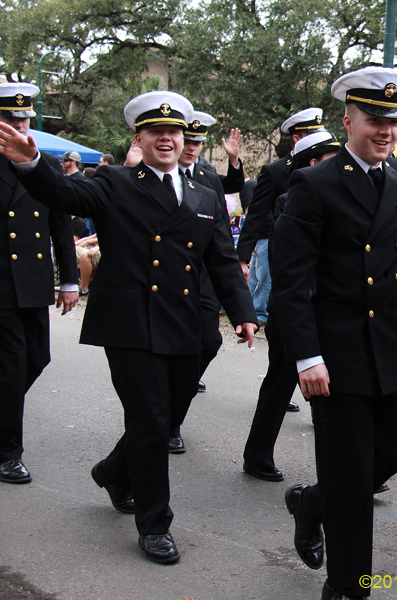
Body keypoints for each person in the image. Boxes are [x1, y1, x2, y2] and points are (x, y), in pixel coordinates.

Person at [0, 90, 257, 564]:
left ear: (184, 139)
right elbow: (65, 195)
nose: (166, 138)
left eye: (174, 131)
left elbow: (220, 257)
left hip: (182, 323)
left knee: (166, 415)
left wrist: (242, 312)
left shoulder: (202, 195)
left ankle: (115, 472)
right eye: (156, 131)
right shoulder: (115, 182)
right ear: (139, 137)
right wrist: (34, 164)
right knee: (150, 419)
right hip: (129, 324)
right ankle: (155, 524)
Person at [274, 67, 397, 600]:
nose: (385, 131)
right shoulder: (314, 184)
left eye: (393, 122)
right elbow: (290, 284)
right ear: (348, 121)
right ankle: (346, 585)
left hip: (396, 344)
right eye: (375, 120)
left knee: (394, 450)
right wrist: (306, 357)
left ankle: (312, 503)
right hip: (337, 352)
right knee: (354, 476)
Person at [242, 130, 340, 482]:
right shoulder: (291, 201)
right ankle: (257, 456)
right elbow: (293, 267)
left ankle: (340, 473)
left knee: (330, 395)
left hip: (327, 312)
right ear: (312, 164)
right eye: (331, 159)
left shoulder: (345, 197)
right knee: (279, 385)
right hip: (295, 312)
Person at [0, 82, 78, 485]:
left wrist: (69, 279)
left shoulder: (41, 162)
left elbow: (60, 224)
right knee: (12, 365)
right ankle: (8, 451)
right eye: (11, 119)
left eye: (25, 119)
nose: (19, 126)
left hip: (31, 280)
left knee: (37, 358)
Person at [167, 110, 246, 452]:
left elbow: (223, 220)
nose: (193, 147)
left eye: (199, 141)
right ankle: (166, 422)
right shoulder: (157, 171)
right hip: (169, 275)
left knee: (208, 343)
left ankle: (173, 411)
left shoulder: (207, 175)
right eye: (190, 139)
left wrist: (234, 161)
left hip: (203, 274)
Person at [237, 107, 324, 328]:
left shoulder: (328, 165)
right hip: (283, 246)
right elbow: (256, 213)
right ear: (296, 138)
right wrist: (242, 257)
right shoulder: (275, 171)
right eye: (311, 135)